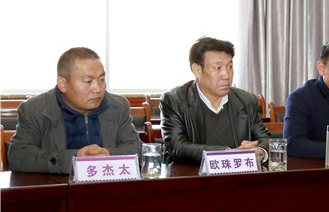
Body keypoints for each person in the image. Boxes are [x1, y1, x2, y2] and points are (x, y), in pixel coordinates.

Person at [7, 47, 142, 174]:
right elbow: (18, 156)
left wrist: (109, 155)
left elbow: (137, 148)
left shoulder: (117, 106)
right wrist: (73, 159)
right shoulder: (35, 109)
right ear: (63, 84)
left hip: (107, 185)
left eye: (101, 79)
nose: (98, 88)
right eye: (88, 81)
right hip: (57, 186)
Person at [160, 37, 270, 165]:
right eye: (218, 68)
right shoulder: (175, 100)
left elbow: (265, 139)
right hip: (190, 174)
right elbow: (176, 147)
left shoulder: (246, 101)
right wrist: (226, 154)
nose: (226, 75)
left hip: (238, 175)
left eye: (229, 67)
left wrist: (261, 151)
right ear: (197, 70)